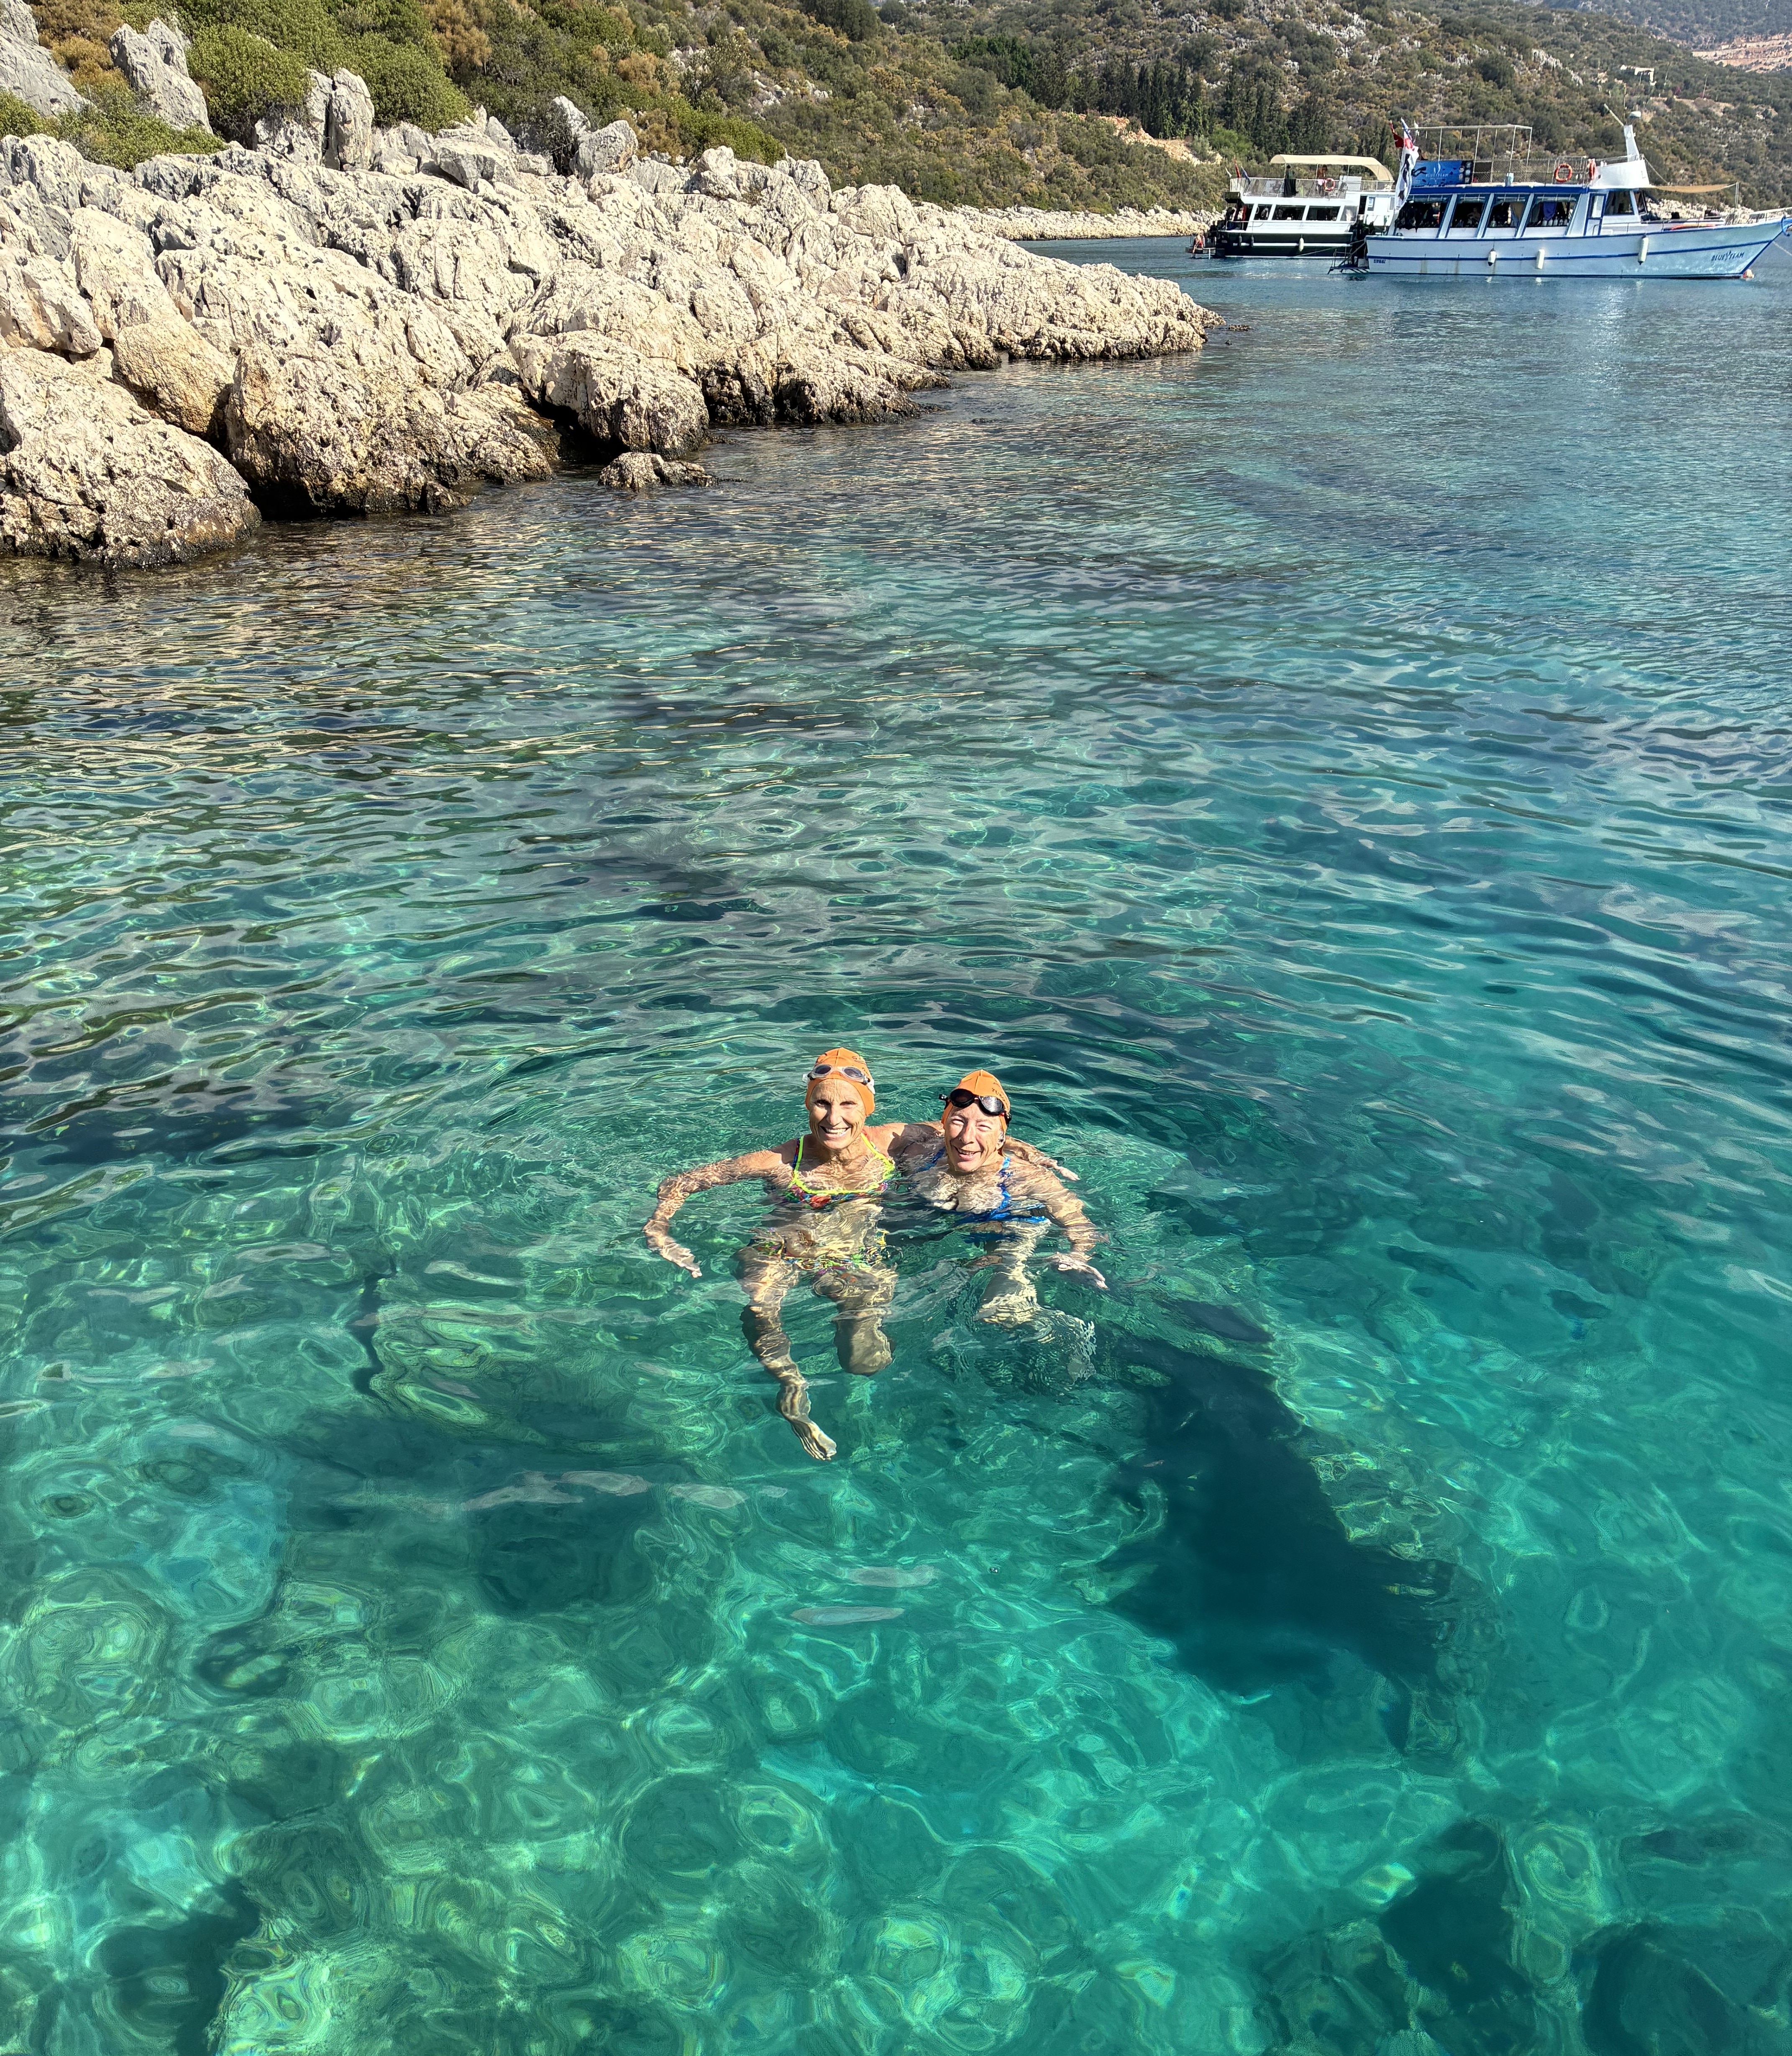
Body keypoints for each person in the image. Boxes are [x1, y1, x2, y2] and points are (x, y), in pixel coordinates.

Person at [642, 1050, 1071, 1461]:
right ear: (808, 1105)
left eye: (847, 1104)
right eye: (822, 1104)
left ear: (866, 1107)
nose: (834, 1118)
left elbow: (965, 1130)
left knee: (865, 1361)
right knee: (761, 1304)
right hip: (782, 1245)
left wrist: (1017, 1147)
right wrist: (660, 1230)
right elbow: (682, 1182)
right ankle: (791, 1393)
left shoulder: (888, 1143)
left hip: (849, 1256)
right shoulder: (779, 1159)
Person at [907, 1070, 1105, 1339]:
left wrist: (1077, 1256)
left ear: (1001, 1138)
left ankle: (1059, 1330)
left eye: (983, 1127)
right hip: (952, 1225)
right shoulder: (920, 1153)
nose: (966, 1138)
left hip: (1012, 1227)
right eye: (958, 1122)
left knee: (999, 1308)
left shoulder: (1027, 1178)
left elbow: (1081, 1225)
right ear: (944, 1125)